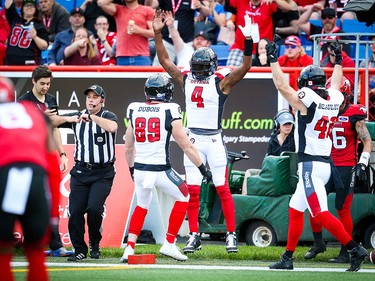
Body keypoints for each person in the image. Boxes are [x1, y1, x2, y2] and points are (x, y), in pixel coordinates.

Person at [154, 11, 253, 254]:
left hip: (204, 138)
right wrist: (249, 41)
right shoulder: (219, 81)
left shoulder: (189, 78)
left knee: (214, 188)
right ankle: (198, 235)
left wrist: (157, 34)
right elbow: (246, 65)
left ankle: (226, 235)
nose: (196, 71)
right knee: (201, 190)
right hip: (200, 138)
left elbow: (165, 61)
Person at [265, 38, 369, 272]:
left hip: (311, 165)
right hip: (324, 163)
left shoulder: (307, 99)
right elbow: (337, 84)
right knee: (295, 208)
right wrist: (340, 60)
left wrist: (273, 60)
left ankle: (354, 249)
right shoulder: (335, 97)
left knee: (320, 214)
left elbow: (282, 87)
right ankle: (287, 257)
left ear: (306, 84)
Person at [121, 73, 212, 263]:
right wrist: (202, 168)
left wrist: (131, 169)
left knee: (142, 205)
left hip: (140, 168)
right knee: (184, 195)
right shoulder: (170, 109)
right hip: (160, 169)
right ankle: (169, 243)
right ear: (165, 92)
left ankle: (129, 249)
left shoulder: (134, 109)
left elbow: (128, 146)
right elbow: (185, 145)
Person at [304, 76, 373, 263]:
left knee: (342, 209)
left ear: (347, 96)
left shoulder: (353, 113)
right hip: (323, 163)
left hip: (345, 166)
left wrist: (363, 162)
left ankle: (347, 251)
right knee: (314, 205)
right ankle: (318, 243)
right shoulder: (322, 108)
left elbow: (366, 140)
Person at [0, 76, 60, 281]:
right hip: (35, 176)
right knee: (35, 252)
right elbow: (53, 167)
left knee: (2, 252)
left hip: (4, 175)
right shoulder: (33, 113)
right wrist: (53, 216)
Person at [51, 84, 117, 262]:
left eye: (95, 97)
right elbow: (51, 122)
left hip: (103, 172)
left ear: (102, 100)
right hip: (80, 172)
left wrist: (92, 118)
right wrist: (72, 118)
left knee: (94, 209)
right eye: (89, 97)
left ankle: (95, 242)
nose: (91, 100)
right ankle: (79, 249)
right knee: (75, 211)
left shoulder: (107, 116)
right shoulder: (79, 117)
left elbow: (112, 127)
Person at [16, 65, 72, 258]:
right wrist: (41, 118)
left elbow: (54, 129)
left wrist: (62, 154)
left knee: (50, 202)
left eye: (48, 83)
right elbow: (21, 131)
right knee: (28, 202)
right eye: (42, 83)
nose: (45, 87)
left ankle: (56, 245)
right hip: (29, 157)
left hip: (47, 157)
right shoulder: (23, 102)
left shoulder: (51, 100)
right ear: (33, 81)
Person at [224, 0, 293, 67]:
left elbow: (288, 8)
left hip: (261, 50)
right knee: (230, 73)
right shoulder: (241, 1)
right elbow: (221, 2)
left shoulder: (268, 3)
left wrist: (275, 0)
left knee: (257, 76)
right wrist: (229, 21)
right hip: (240, 47)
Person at [145, 0, 210, 66]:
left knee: (187, 69)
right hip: (168, 41)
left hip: (186, 43)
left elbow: (207, 13)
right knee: (160, 69)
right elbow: (150, 5)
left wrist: (201, 6)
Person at [98, 0, 154, 66]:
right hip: (122, 57)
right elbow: (101, 2)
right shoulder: (118, 9)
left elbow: (155, 33)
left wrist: (139, 30)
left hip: (141, 56)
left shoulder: (147, 10)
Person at [5, 0, 49, 65]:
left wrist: (35, 37)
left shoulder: (39, 25)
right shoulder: (15, 19)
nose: (29, 7)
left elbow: (44, 46)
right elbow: (8, 5)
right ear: (22, 8)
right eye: (26, 5)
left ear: (35, 9)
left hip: (30, 64)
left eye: (31, 6)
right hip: (10, 63)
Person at [360, 35, 375, 120]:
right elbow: (360, 83)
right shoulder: (364, 63)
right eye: (372, 43)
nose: (374, 45)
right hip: (367, 94)